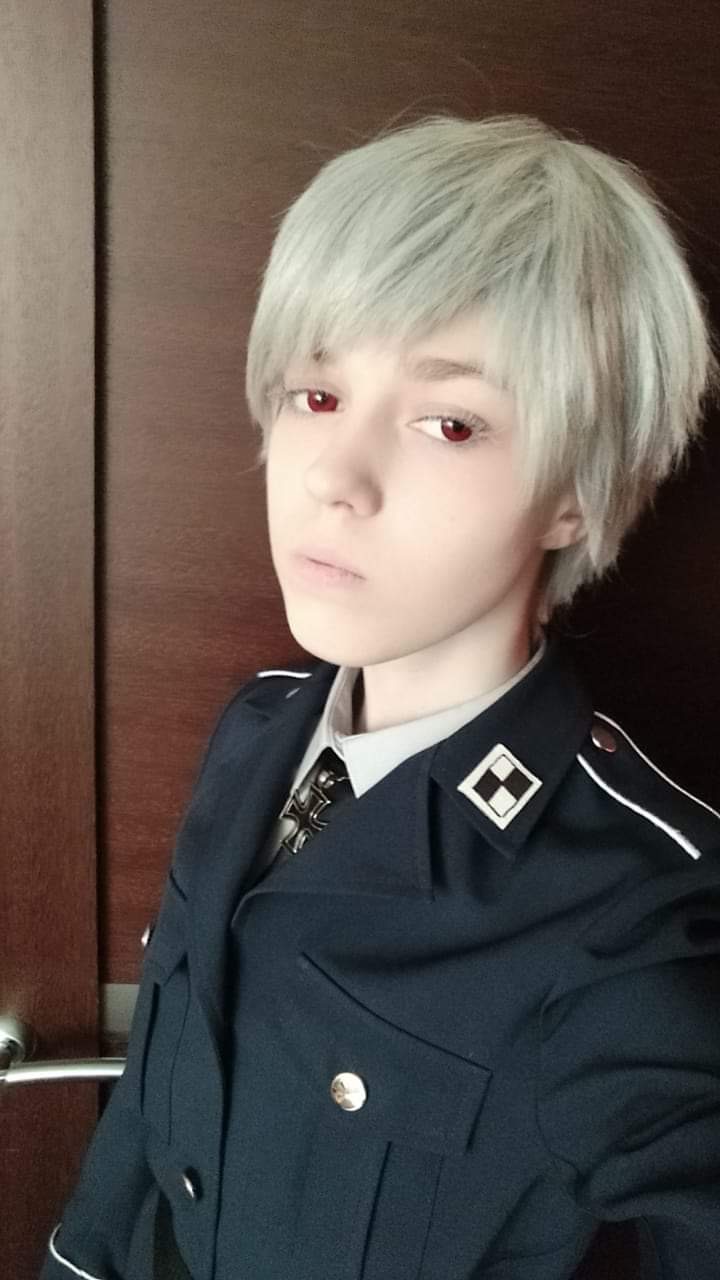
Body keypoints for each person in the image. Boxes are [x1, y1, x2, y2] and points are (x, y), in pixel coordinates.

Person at [42, 113, 720, 1280]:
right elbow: (156, 1111)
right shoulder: (257, 728)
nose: (335, 478)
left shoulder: (633, 919)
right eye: (316, 393)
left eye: (449, 422)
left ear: (575, 491)